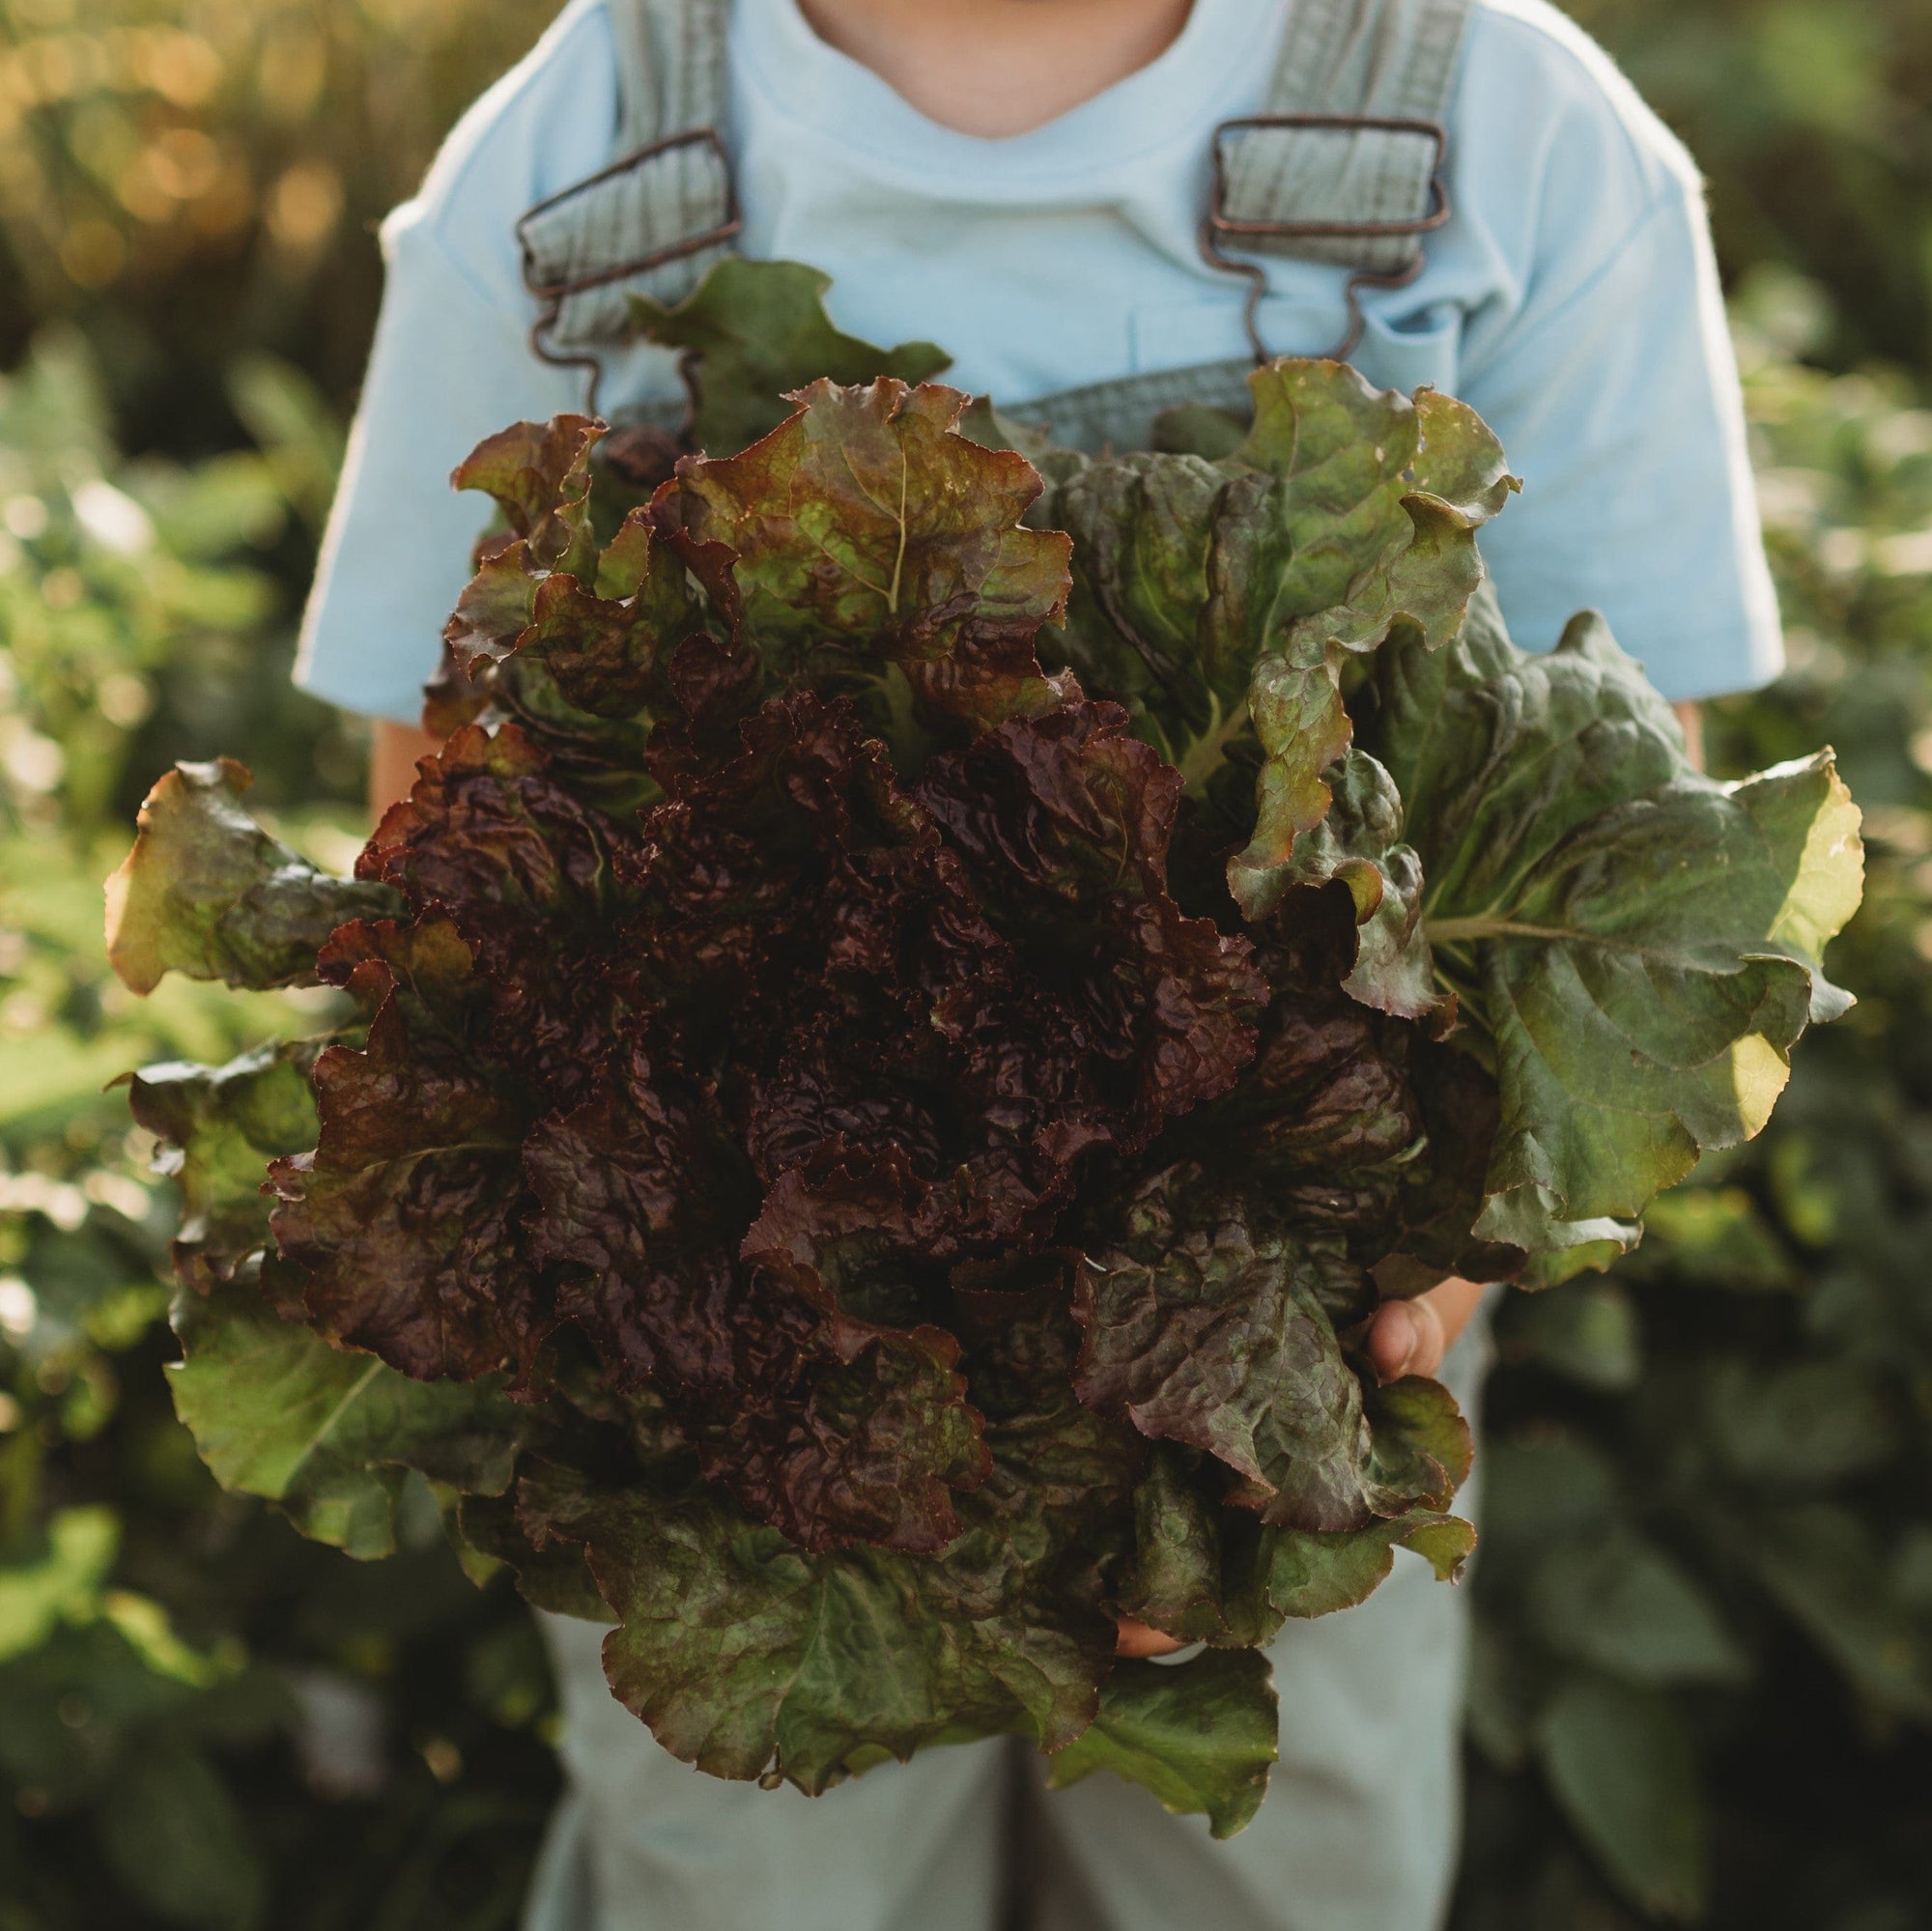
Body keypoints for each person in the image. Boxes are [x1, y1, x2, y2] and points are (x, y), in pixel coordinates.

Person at [295, 2, 1781, 1926]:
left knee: (1272, 1875)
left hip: (1272, 1370)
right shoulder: (573, 160)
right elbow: (443, 821)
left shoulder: (1507, 129)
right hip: (752, 1417)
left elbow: (1623, 839)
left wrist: (1417, 1273)